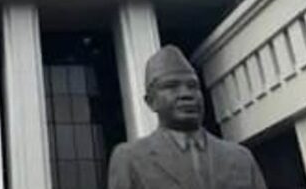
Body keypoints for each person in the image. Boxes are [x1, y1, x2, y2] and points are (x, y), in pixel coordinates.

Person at [107, 45, 267, 189]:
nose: (186, 94)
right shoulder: (130, 158)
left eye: (193, 86)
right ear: (151, 101)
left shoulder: (241, 158)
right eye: (171, 86)